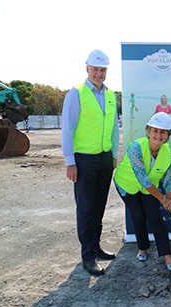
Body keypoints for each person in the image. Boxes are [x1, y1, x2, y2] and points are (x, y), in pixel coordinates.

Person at [61, 49, 119, 276]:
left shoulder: (111, 95)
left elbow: (114, 127)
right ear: (87, 69)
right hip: (84, 160)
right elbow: (68, 128)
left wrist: (114, 155)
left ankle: (95, 247)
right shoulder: (76, 93)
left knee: (99, 206)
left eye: (103, 70)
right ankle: (87, 256)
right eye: (95, 69)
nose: (99, 73)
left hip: (105, 159)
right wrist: (70, 161)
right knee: (86, 209)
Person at [113, 112, 171, 272]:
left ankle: (166, 255)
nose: (158, 135)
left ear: (168, 135)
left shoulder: (167, 151)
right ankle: (142, 248)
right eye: (155, 130)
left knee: (155, 217)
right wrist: (163, 200)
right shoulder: (136, 147)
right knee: (138, 215)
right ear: (148, 131)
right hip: (126, 184)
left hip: (148, 189)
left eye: (163, 132)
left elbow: (169, 179)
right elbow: (142, 178)